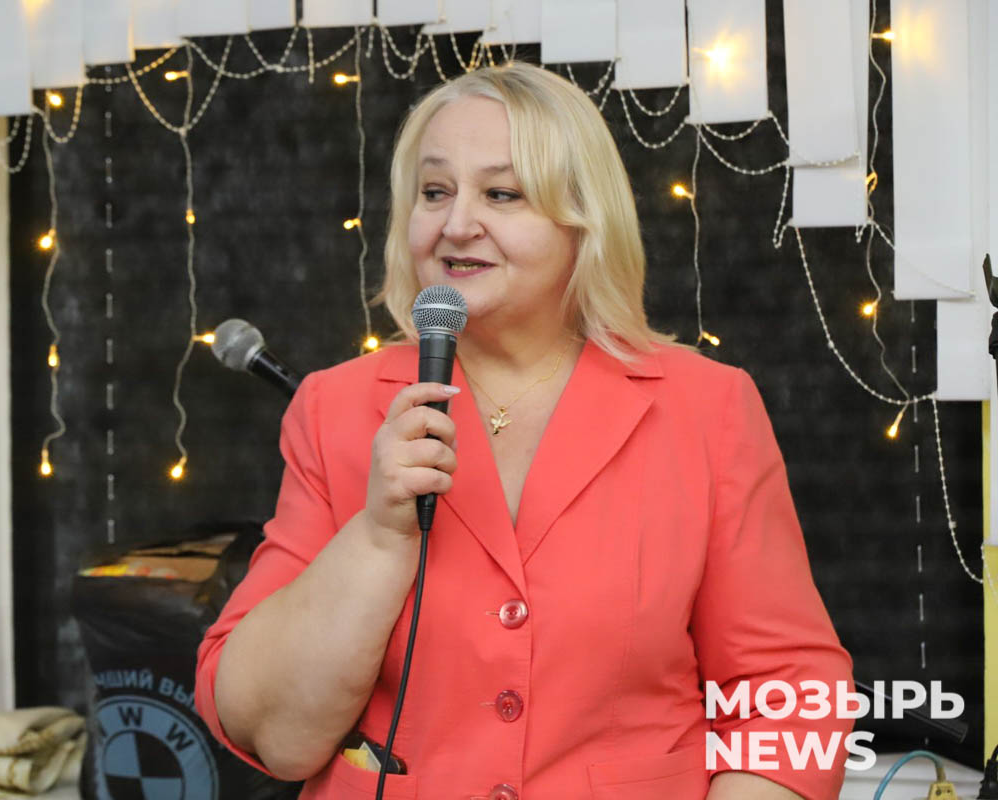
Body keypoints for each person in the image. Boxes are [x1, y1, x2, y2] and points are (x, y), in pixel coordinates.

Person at [194, 61, 854, 799]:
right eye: (435, 192)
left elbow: (786, 691)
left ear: (583, 221)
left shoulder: (707, 406)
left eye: (501, 194)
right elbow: (269, 732)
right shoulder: (334, 407)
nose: (456, 224)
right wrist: (377, 537)